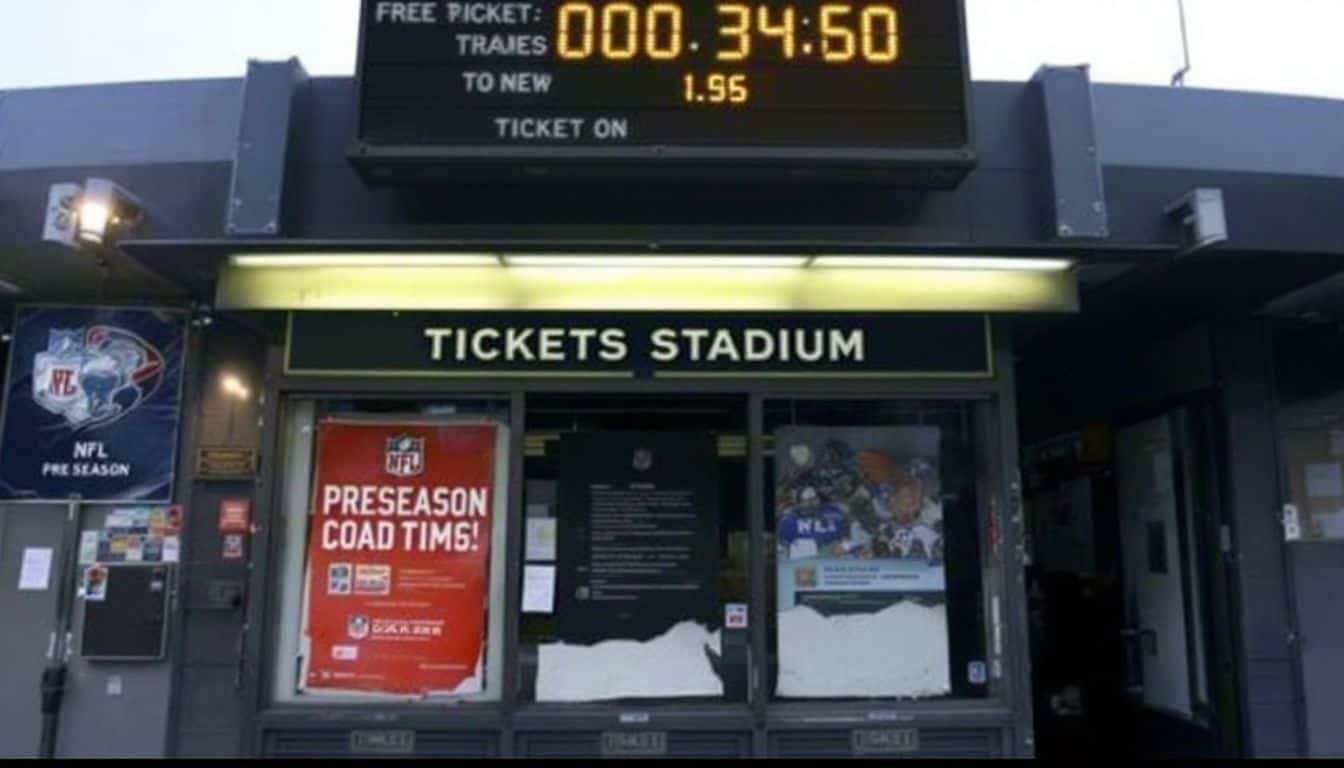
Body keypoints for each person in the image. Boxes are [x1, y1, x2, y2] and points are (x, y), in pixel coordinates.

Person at [777, 487, 851, 560]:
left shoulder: (833, 512)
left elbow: (847, 535)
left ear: (819, 499)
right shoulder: (791, 518)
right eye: (807, 500)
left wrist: (845, 546)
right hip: (803, 560)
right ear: (799, 503)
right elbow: (782, 544)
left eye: (814, 499)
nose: (811, 503)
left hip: (833, 556)